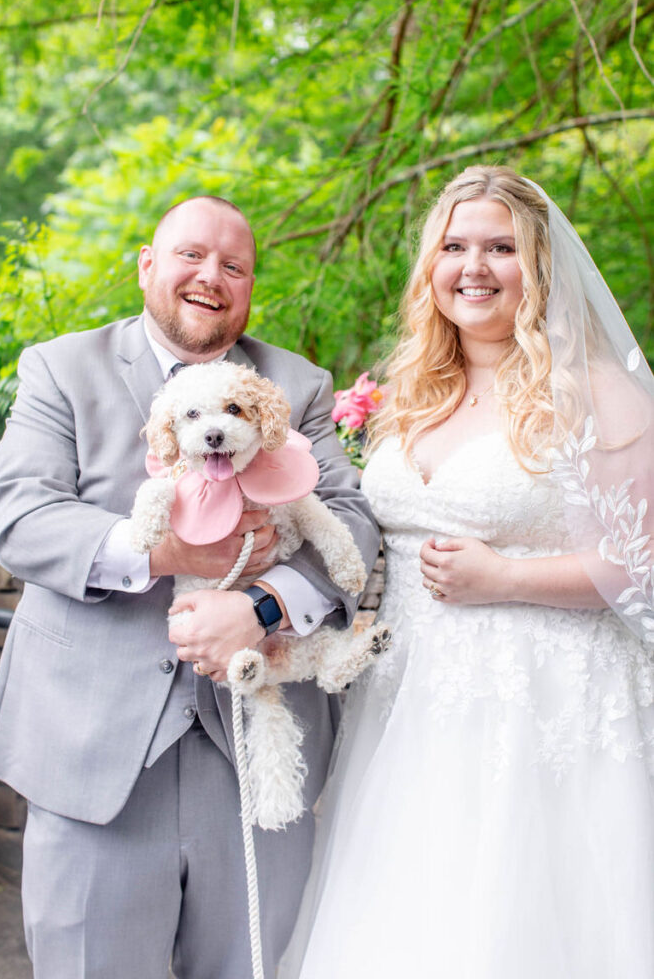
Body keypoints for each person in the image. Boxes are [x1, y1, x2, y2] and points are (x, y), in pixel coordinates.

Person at [0, 195, 380, 979]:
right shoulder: (60, 366)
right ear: (147, 265)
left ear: (250, 286)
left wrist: (261, 605)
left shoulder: (295, 385)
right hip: (95, 751)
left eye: (235, 265)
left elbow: (350, 517)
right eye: (191, 255)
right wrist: (165, 553)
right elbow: (21, 516)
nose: (211, 277)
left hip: (260, 756)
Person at [280, 166, 654, 978]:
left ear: (541, 266)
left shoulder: (597, 393)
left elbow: (642, 571)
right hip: (407, 700)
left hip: (540, 703)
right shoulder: (413, 394)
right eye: (453, 246)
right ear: (430, 267)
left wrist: (506, 578)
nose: (473, 266)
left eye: (499, 246)